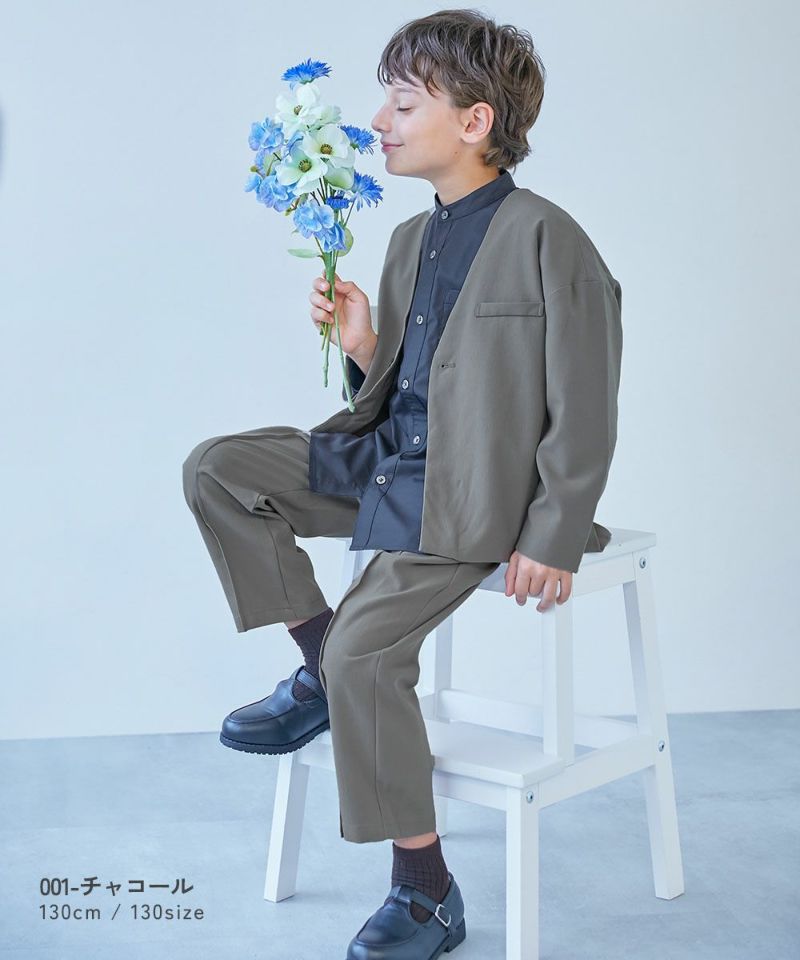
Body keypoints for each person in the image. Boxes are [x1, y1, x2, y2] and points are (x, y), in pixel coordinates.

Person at [182, 10, 622, 958]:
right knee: (220, 468)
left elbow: (585, 404)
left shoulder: (552, 240)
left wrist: (552, 532)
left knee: (366, 657)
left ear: (474, 121)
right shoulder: (407, 240)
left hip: (471, 498)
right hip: (387, 461)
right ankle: (316, 661)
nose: (378, 121)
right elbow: (401, 392)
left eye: (403, 102)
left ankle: (426, 893)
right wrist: (362, 346)